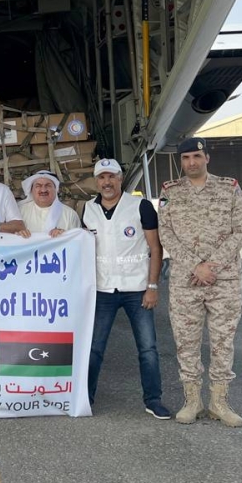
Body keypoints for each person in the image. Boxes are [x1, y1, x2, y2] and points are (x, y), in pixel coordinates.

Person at [158, 137, 242, 427]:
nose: (191, 162)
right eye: (186, 158)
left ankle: (219, 403)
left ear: (206, 158)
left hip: (224, 281)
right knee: (186, 343)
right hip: (186, 282)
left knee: (223, 342)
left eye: (196, 156)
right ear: (181, 161)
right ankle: (192, 401)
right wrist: (195, 266)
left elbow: (240, 232)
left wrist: (211, 266)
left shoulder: (229, 187)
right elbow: (166, 233)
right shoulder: (169, 191)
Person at [81, 160, 170, 420]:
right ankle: (85, 398)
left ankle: (153, 400)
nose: (107, 182)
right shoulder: (87, 209)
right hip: (102, 290)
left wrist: (152, 286)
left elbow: (155, 248)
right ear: (96, 181)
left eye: (112, 177)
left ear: (121, 179)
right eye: (101, 178)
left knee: (148, 348)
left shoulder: (140, 206)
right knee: (94, 348)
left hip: (137, 289)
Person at [18, 170, 81, 236]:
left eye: (48, 185)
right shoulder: (19, 212)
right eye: (38, 186)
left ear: (56, 189)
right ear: (31, 190)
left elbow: (78, 239)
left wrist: (64, 235)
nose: (43, 190)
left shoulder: (70, 214)